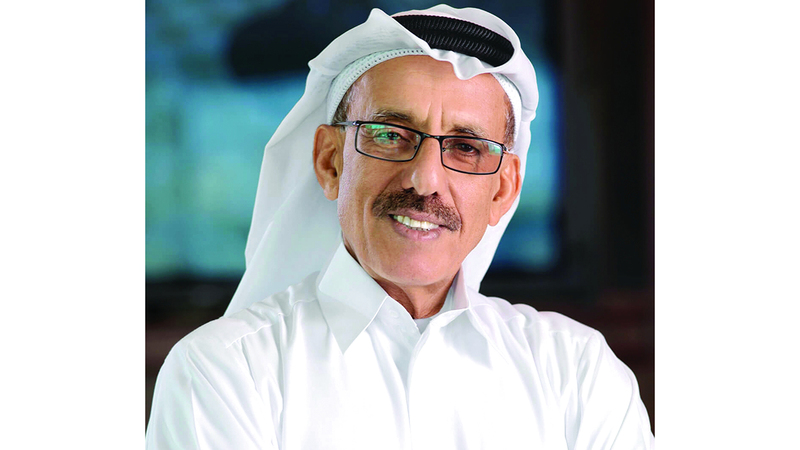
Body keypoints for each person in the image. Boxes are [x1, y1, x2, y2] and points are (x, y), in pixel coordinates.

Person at [146, 5, 655, 449]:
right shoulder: (226, 371)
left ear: (503, 190)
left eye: (466, 147)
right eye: (391, 134)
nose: (425, 180)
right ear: (330, 162)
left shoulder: (575, 372)